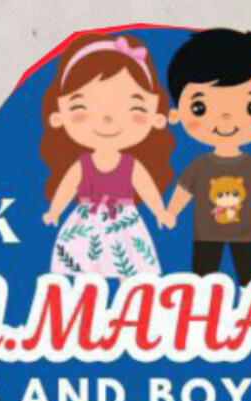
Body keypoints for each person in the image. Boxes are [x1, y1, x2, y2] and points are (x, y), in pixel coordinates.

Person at [160, 26, 251, 284]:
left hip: (248, 235)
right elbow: (184, 190)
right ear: (176, 115)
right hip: (206, 235)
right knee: (202, 280)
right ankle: (203, 306)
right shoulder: (199, 166)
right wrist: (171, 211)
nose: (225, 117)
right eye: (200, 107)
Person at [37, 32, 175, 283]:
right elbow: (68, 186)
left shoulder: (131, 165)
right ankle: (88, 300)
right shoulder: (83, 164)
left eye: (132, 107)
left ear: (156, 116)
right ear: (59, 116)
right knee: (86, 269)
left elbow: (146, 187)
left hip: (124, 222)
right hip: (87, 222)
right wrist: (54, 210)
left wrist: (160, 211)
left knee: (127, 268)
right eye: (83, 107)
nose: (108, 118)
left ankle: (129, 301)